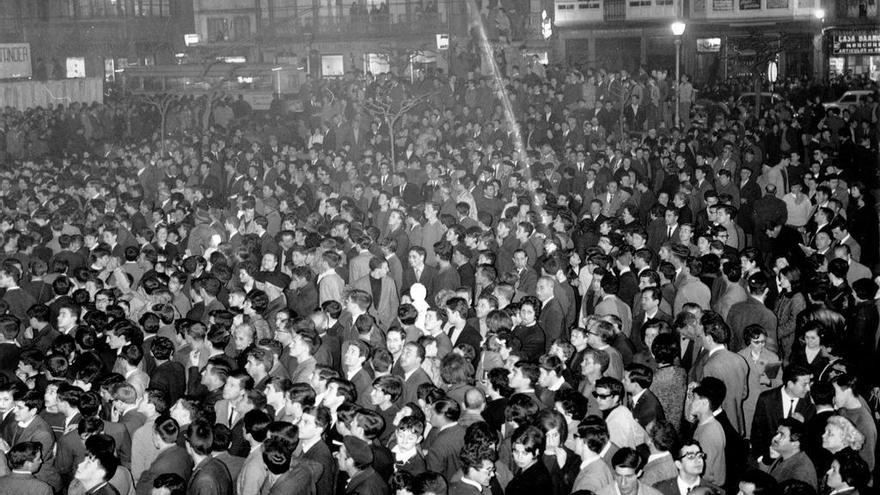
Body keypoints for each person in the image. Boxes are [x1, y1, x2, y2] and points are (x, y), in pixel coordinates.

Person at [504, 425, 553, 495]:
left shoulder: (539, 481)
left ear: (536, 452)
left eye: (525, 453)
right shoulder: (527, 466)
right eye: (516, 451)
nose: (519, 457)